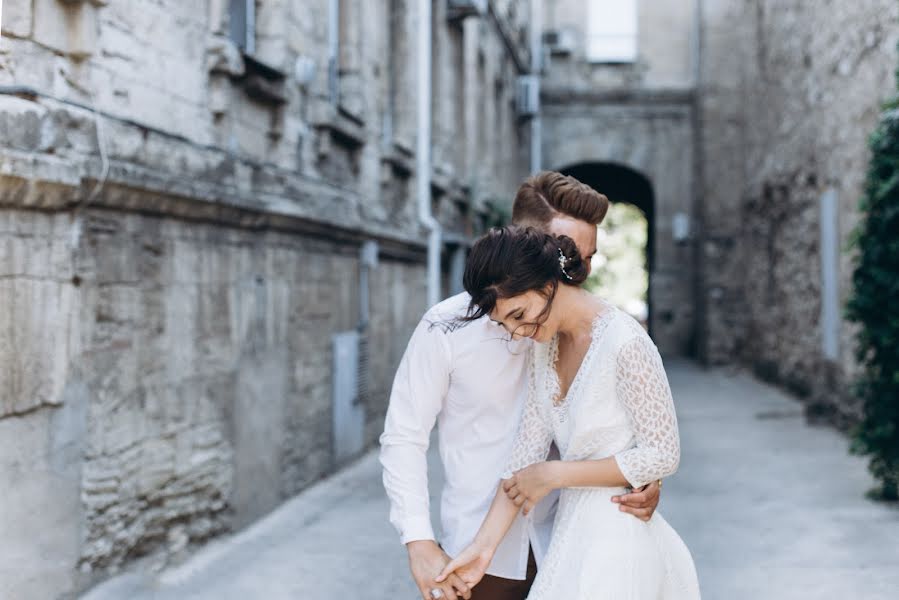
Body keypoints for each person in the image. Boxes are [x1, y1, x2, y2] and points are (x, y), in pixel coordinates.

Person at [379, 172, 663, 600]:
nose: (575, 277)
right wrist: (418, 540)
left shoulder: (597, 333)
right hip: (482, 552)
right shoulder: (446, 327)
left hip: (576, 544)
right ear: (525, 244)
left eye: (585, 261)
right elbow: (404, 435)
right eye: (567, 257)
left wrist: (644, 479)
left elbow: (637, 429)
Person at [434, 226, 701, 599]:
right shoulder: (545, 349)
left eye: (519, 313)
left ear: (547, 284)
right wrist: (481, 550)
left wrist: (554, 474)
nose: (516, 331)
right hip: (571, 539)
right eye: (503, 323)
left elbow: (662, 454)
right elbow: (522, 460)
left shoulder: (625, 342)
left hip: (619, 541)